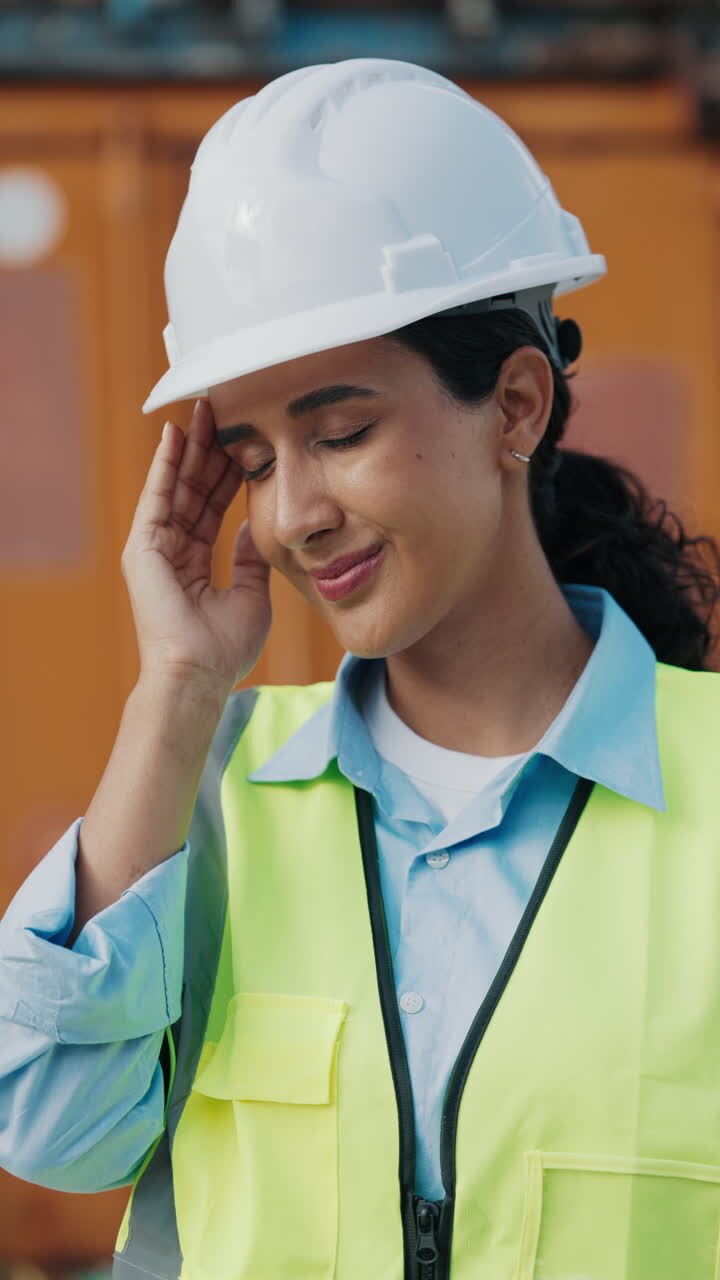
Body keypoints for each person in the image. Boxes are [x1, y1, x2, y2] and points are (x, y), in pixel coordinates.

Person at [2, 57, 720, 1280]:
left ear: (516, 405)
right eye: (252, 455)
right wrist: (175, 687)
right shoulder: (206, 800)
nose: (292, 515)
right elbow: (54, 1136)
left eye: (339, 434)